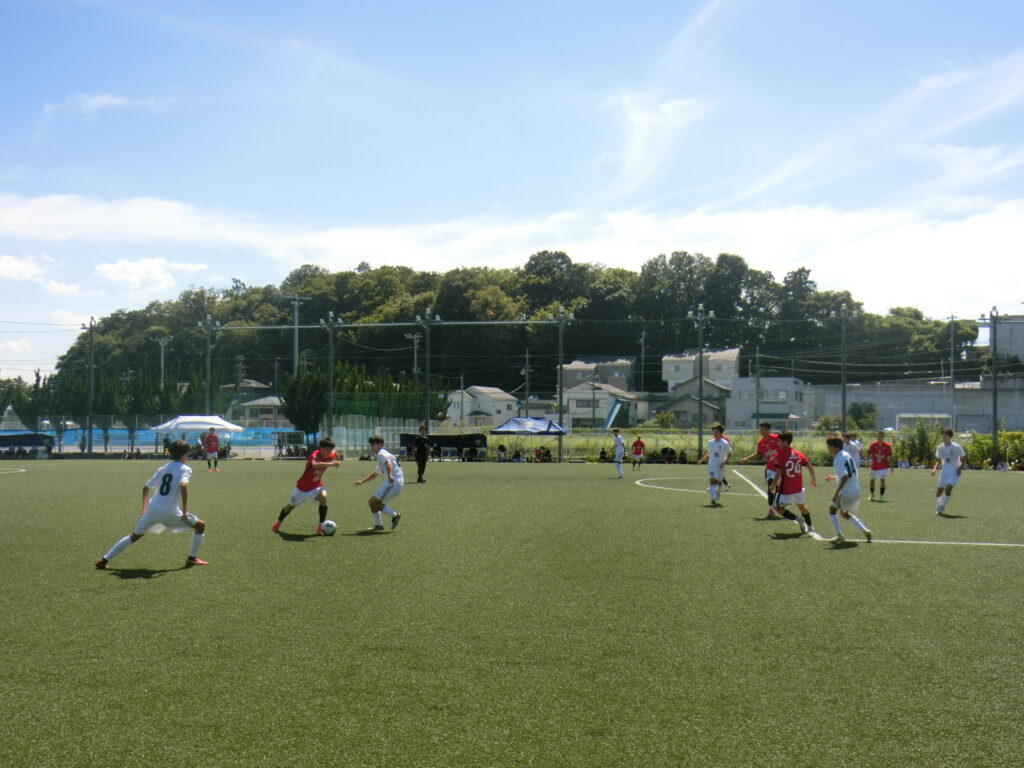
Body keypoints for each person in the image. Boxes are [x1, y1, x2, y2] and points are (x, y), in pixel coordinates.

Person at [95, 440, 208, 569]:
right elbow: (183, 485)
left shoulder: (163, 468)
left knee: (133, 537)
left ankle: (103, 561)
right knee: (200, 526)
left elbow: (146, 487)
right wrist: (185, 510)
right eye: (188, 453)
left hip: (152, 510)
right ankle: (191, 559)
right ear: (184, 454)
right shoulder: (185, 469)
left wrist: (144, 508)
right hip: (169, 513)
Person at [272, 437, 342, 535]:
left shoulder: (331, 453)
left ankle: (320, 527)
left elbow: (335, 453)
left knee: (323, 498)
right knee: (290, 506)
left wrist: (337, 456)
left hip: (316, 485)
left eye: (330, 450)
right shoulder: (315, 455)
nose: (329, 452)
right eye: (327, 450)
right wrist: (331, 464)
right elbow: (314, 465)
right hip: (302, 488)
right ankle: (277, 523)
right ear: (321, 448)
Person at [765, 431, 817, 535]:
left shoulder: (780, 454)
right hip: (798, 488)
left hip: (786, 489)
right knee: (802, 507)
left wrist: (773, 484)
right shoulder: (798, 453)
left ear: (785, 442)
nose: (777, 443)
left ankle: (798, 519)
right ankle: (810, 527)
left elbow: (779, 472)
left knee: (778, 508)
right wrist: (813, 479)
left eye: (779, 441)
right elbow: (810, 467)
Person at [825, 436, 872, 543]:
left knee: (832, 510)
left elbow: (845, 476)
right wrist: (833, 477)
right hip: (855, 489)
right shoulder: (846, 454)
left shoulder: (838, 459)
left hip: (846, 491)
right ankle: (865, 530)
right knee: (844, 513)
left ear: (836, 447)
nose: (828, 448)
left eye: (829, 446)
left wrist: (836, 494)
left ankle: (839, 535)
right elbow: (849, 473)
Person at [355, 435, 403, 531]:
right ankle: (378, 525)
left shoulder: (381, 454)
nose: (372, 446)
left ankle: (395, 516)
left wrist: (389, 475)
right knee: (372, 502)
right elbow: (375, 474)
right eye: (371, 444)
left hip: (393, 483)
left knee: (374, 502)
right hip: (393, 482)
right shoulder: (383, 455)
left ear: (380, 444)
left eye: (374, 444)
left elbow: (388, 463)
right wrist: (362, 482)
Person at [738, 421, 781, 519]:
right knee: (770, 487)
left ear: (768, 430)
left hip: (780, 468)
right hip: (770, 468)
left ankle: (779, 504)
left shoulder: (777, 438)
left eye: (763, 429)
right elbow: (758, 454)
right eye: (760, 429)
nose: (761, 431)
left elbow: (786, 447)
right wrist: (747, 459)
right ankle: (771, 509)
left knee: (779, 490)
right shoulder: (761, 442)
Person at [931, 428, 966, 515]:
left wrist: (959, 468)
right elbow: (938, 461)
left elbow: (963, 458)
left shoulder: (957, 447)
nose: (943, 437)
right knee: (939, 492)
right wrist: (934, 469)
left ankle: (942, 506)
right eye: (942, 435)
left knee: (948, 488)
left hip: (954, 471)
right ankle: (939, 504)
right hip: (944, 471)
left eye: (945, 435)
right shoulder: (940, 447)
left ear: (950, 437)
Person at [697, 424, 732, 506]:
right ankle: (712, 498)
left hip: (721, 465)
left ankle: (718, 492)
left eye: (716, 432)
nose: (714, 434)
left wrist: (724, 462)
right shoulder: (710, 442)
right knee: (712, 480)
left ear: (721, 433)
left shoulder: (725, 443)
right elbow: (707, 451)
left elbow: (730, 454)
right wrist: (701, 459)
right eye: (713, 432)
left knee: (719, 482)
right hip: (712, 464)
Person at [866, 431, 894, 501]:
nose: (878, 437)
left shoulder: (887, 445)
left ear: (883, 437)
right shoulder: (872, 445)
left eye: (880, 436)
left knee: (882, 480)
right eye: (877, 436)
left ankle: (881, 496)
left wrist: (892, 467)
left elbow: (890, 456)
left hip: (883, 466)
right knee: (872, 481)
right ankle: (872, 494)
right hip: (874, 466)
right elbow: (868, 454)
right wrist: (867, 462)